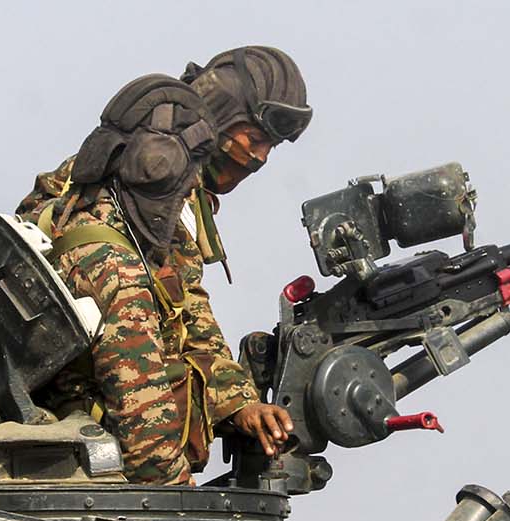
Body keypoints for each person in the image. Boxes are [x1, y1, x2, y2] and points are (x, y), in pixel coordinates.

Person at [17, 46, 310, 484]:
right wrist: (174, 492)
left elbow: (188, 308)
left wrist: (239, 403)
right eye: (257, 136)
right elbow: (134, 378)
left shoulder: (157, 195)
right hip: (96, 461)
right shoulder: (122, 214)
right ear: (219, 120)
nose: (261, 157)